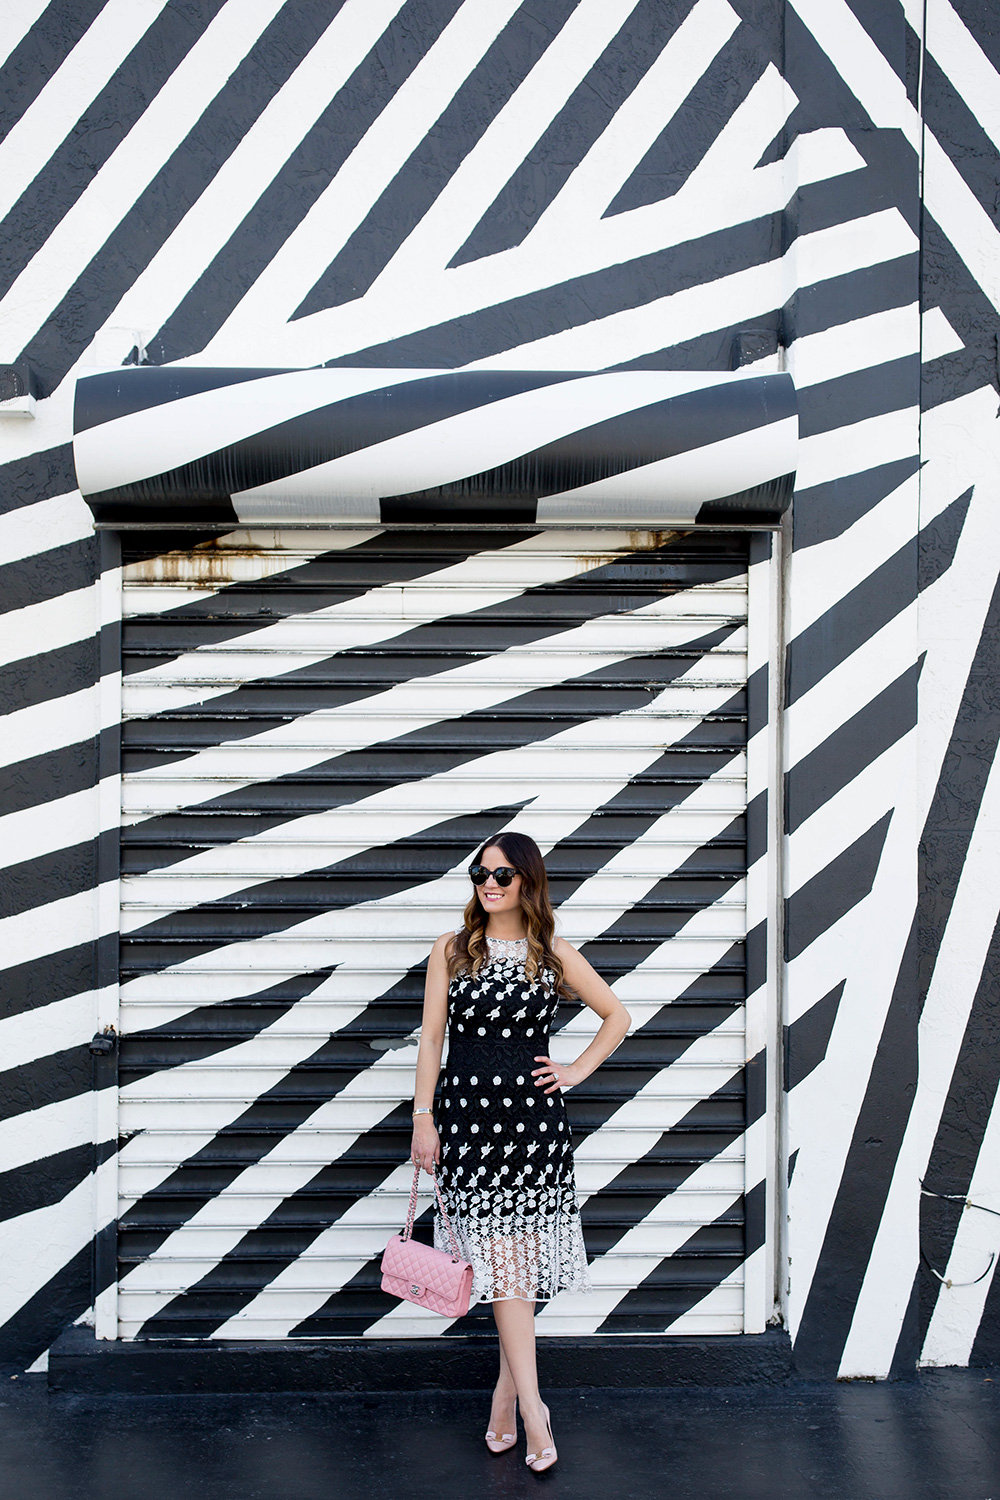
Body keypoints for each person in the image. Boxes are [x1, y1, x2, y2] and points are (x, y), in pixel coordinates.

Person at [409, 831, 631, 1473]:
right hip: (469, 1124)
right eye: (481, 873)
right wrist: (423, 1118)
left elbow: (615, 1014)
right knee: (503, 1267)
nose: (490, 884)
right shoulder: (452, 950)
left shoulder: (550, 952)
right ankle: (535, 1408)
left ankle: (508, 1400)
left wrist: (576, 1070)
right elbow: (430, 1041)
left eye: (503, 876)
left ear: (528, 884)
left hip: (534, 1127)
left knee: (519, 1270)